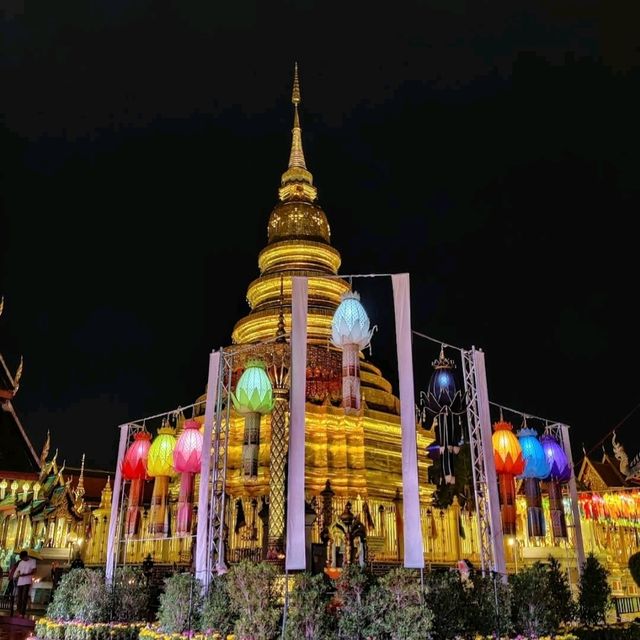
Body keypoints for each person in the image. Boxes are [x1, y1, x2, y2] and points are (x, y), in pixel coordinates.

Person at [14, 550, 36, 617]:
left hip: (27, 581)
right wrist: (16, 575)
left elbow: (34, 571)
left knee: (24, 597)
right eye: (22, 559)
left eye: (23, 558)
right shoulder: (21, 562)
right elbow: (18, 570)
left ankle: (22, 612)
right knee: (19, 597)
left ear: (26, 556)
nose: (23, 559)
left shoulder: (32, 561)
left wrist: (26, 574)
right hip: (20, 581)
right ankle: (18, 611)